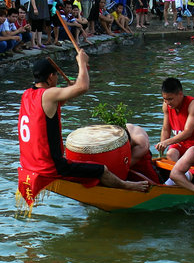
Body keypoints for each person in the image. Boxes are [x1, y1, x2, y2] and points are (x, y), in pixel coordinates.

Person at [18, 55, 151, 193]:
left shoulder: (27, 95)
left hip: (28, 164)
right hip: (50, 166)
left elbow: (56, 104)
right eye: (56, 76)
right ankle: (127, 186)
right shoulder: (48, 95)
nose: (57, 79)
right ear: (51, 76)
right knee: (102, 170)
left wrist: (69, 90)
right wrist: (81, 62)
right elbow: (83, 87)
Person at [156, 77, 194, 161]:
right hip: (180, 142)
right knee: (170, 154)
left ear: (180, 94)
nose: (168, 102)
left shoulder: (193, 105)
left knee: (188, 158)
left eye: (170, 99)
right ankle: (177, 172)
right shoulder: (166, 105)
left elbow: (187, 132)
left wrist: (167, 142)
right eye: (165, 99)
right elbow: (166, 129)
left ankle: (184, 173)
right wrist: (162, 147)